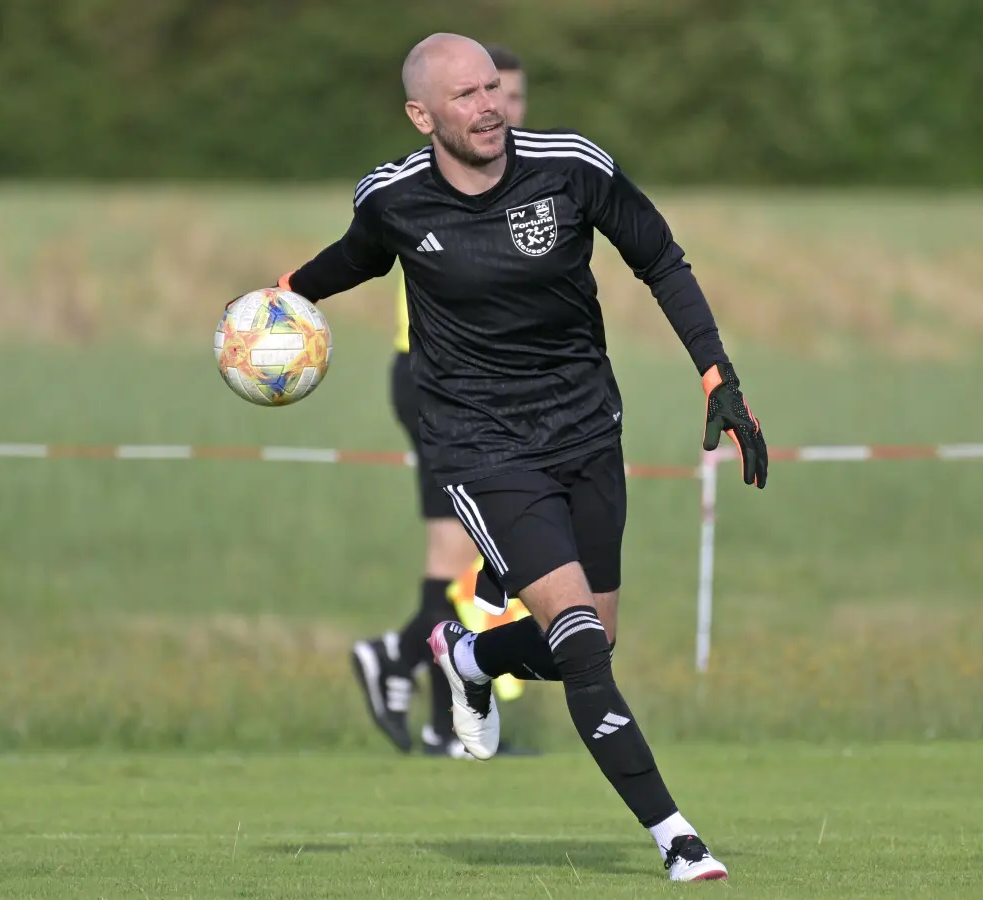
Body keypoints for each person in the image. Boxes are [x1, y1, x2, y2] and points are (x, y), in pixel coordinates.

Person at [274, 32, 766, 883]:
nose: (490, 105)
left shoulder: (572, 168)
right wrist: (279, 304)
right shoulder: (393, 199)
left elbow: (661, 260)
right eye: (465, 96)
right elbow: (350, 261)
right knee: (578, 639)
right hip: (480, 444)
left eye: (493, 87)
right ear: (421, 115)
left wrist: (717, 375)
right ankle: (677, 837)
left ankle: (470, 657)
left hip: (586, 432)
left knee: (592, 643)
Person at [346, 42, 534, 761]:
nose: (499, 110)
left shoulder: (519, 176)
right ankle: (403, 662)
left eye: (510, 97)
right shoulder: (439, 184)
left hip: (481, 386)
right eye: (485, 95)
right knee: (478, 556)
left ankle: (432, 714)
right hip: (438, 380)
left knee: (457, 559)